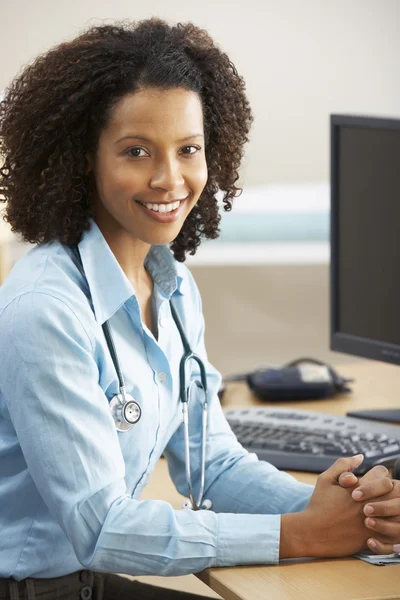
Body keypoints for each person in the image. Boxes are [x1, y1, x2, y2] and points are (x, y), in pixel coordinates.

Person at [0, 17, 399, 600]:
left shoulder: (173, 286)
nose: (170, 179)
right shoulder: (47, 309)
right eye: (136, 152)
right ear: (83, 158)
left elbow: (210, 461)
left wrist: (339, 512)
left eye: (188, 149)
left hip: (84, 582)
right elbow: (104, 527)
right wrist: (304, 534)